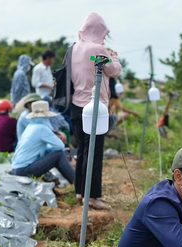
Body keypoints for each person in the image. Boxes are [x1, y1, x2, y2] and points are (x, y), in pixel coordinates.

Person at [70, 12, 122, 210]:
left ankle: (80, 191)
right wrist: (114, 57)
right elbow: (114, 70)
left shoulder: (74, 48)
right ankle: (92, 197)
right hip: (95, 107)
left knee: (83, 151)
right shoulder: (99, 49)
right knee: (95, 152)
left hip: (76, 106)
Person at [10, 101, 75, 184]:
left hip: (16, 169)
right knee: (59, 155)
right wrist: (64, 149)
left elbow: (45, 149)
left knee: (57, 154)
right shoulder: (42, 128)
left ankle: (74, 182)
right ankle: (77, 183)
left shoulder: (30, 127)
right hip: (24, 170)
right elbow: (60, 146)